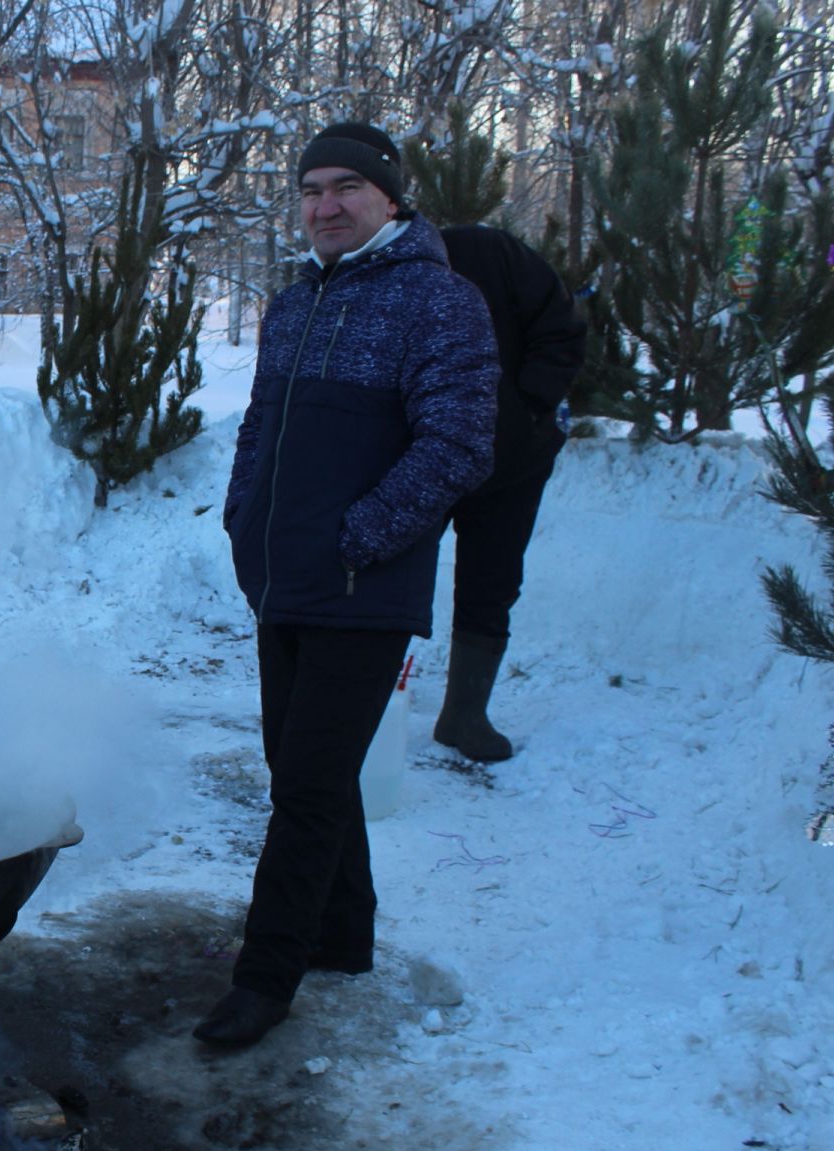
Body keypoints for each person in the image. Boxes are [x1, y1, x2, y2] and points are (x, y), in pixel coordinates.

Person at [197, 123, 499, 1048]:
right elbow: (259, 429)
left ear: (390, 199)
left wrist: (358, 539)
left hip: (363, 588)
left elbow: (458, 444)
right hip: (284, 579)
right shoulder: (293, 304)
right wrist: (245, 518)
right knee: (304, 768)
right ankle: (343, 933)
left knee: (309, 787)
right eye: (311, 189)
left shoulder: (439, 303)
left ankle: (266, 975)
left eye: (347, 188)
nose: (325, 206)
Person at [431, 224, 587, 761]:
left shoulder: (485, 251)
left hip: (510, 459)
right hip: (414, 461)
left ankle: (465, 715)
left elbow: (562, 327)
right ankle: (366, 706)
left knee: (492, 582)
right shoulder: (365, 267)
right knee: (383, 581)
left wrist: (526, 410)